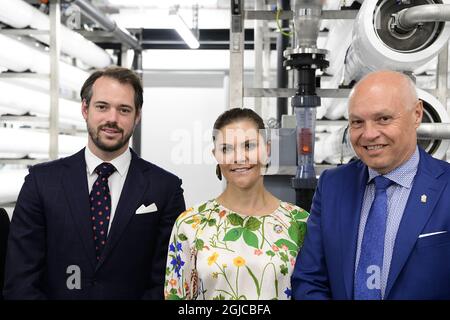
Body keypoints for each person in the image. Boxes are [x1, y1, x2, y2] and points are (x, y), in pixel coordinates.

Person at [3, 66, 185, 299]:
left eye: (124, 110)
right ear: (84, 108)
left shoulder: (165, 189)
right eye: (102, 106)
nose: (112, 118)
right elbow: (20, 281)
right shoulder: (41, 183)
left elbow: (166, 282)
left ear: (137, 116)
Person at [291, 70, 450, 300]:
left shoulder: (445, 186)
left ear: (417, 114)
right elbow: (309, 279)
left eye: (383, 119)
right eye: (357, 122)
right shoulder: (333, 186)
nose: (369, 134)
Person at [164, 108, 309, 300]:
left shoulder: (298, 222)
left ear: (267, 149)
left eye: (249, 146)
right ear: (215, 155)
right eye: (226, 149)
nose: (239, 157)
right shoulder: (190, 224)